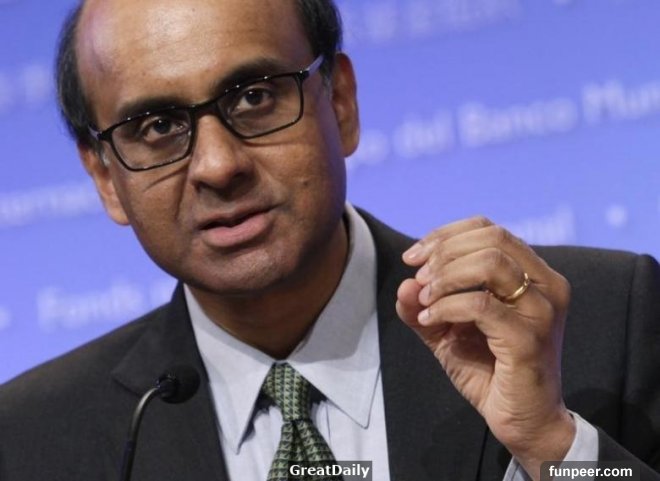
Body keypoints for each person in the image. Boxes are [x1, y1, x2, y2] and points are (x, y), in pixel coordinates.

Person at [0, 0, 658, 480]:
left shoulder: (601, 320)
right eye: (157, 127)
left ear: (340, 102)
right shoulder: (33, 438)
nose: (218, 165)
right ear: (105, 178)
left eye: (254, 96)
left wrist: (551, 446)